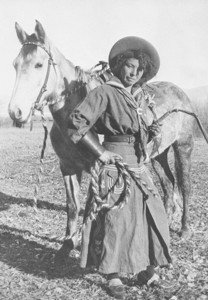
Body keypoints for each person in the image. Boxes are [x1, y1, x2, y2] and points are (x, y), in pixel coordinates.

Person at [68, 36, 172, 299]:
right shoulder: (105, 92)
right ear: (119, 65)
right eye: (130, 66)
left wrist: (150, 133)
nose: (134, 72)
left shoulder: (137, 97)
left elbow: (137, 132)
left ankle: (146, 269)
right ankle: (113, 274)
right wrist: (101, 152)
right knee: (117, 220)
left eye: (139, 69)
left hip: (138, 164)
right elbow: (76, 124)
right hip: (115, 165)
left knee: (150, 215)